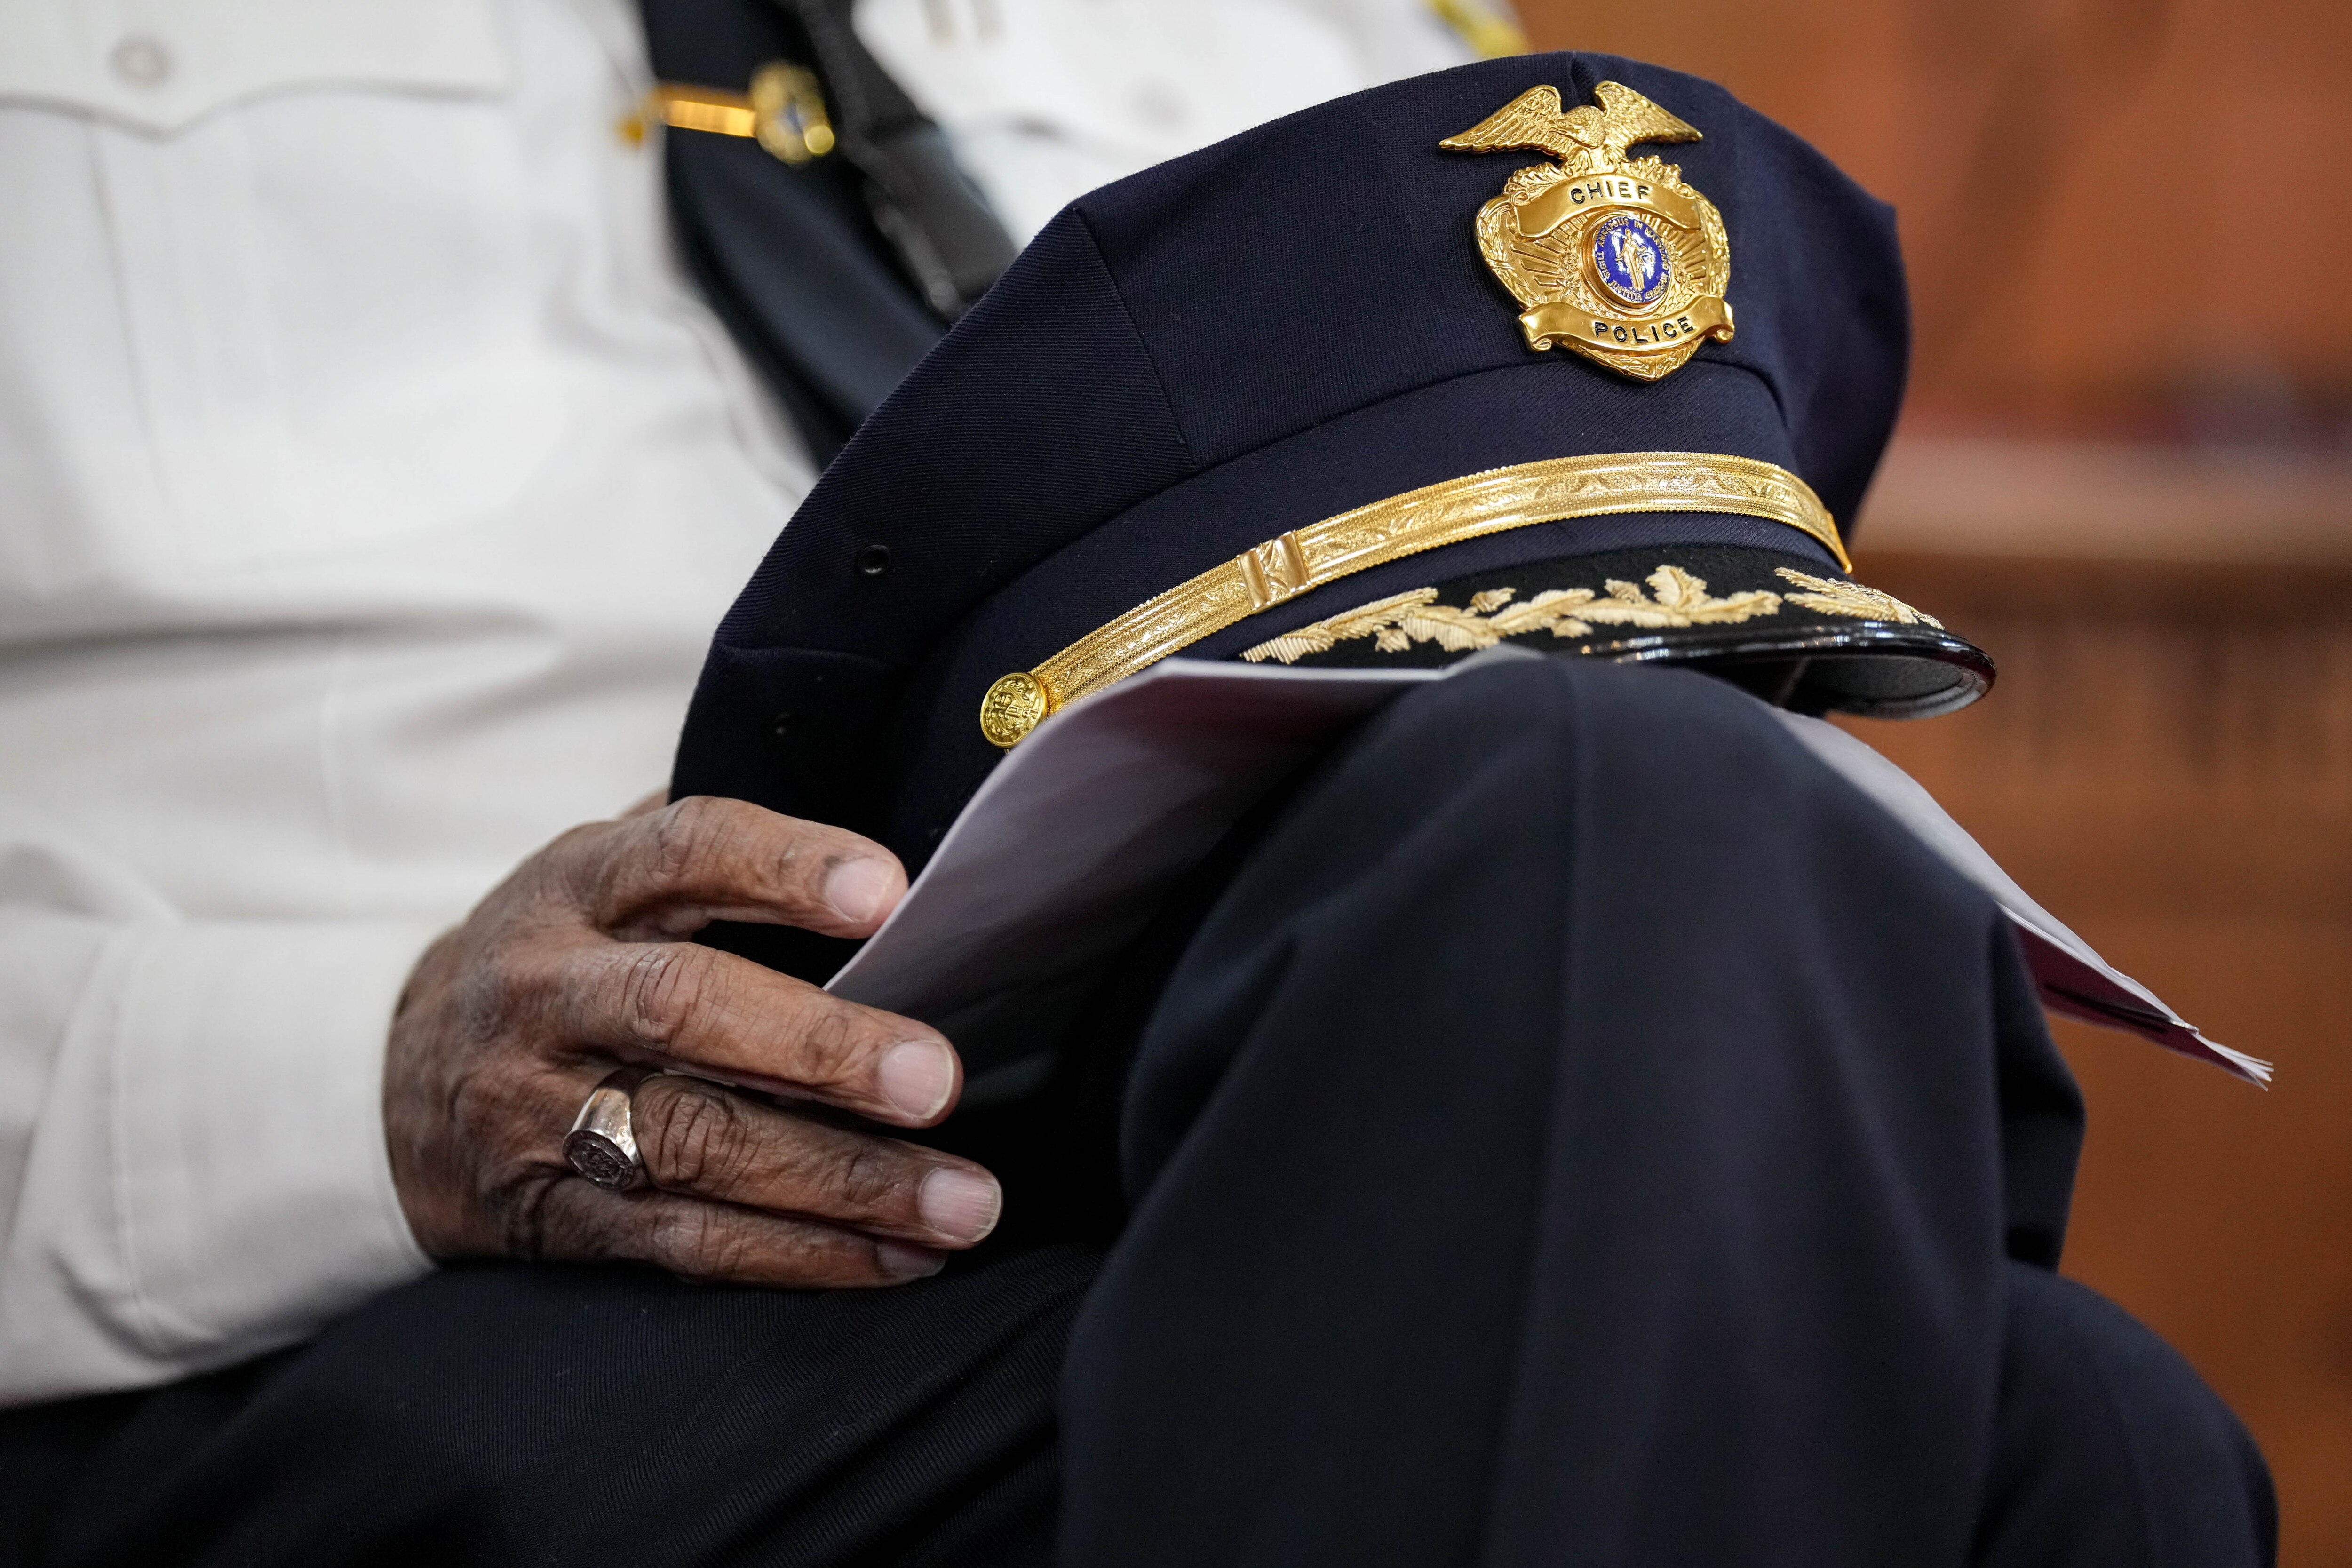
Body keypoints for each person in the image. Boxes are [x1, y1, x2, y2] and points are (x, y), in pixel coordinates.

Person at [0, 25, 2274, 1568]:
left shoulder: (1331, 28)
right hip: (283, 1324)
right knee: (2053, 1449)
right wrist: (359, 1093)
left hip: (1158, 1143)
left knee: (1635, 816)